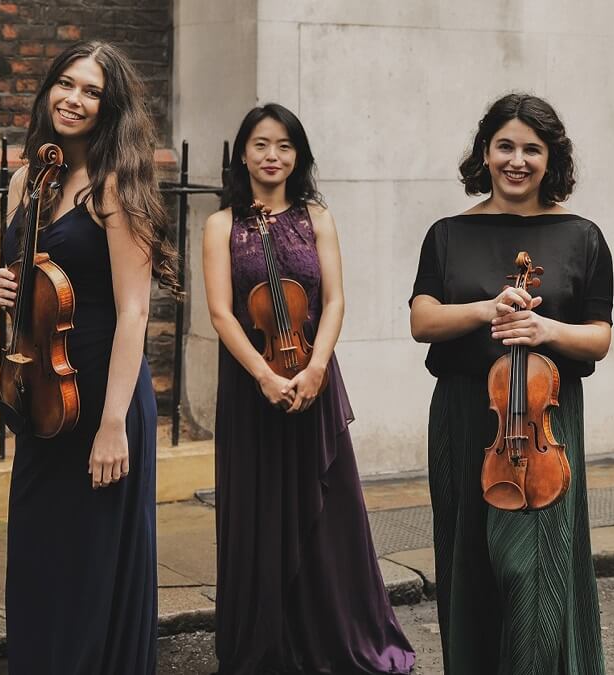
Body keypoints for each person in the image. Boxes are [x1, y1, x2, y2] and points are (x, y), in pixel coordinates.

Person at [202, 103, 415, 674]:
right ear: (242, 152)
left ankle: (331, 637)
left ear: (299, 156)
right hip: (253, 385)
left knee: (326, 515)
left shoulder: (316, 216)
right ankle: (264, 645)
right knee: (257, 513)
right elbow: (222, 314)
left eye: (285, 146)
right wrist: (265, 375)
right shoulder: (221, 224)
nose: (273, 156)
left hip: (313, 376)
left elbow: (335, 299)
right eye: (261, 144)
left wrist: (316, 366)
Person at [409, 93, 614, 675]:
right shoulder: (447, 233)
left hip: (546, 421)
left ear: (552, 159)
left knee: (534, 571)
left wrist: (545, 327)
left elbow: (599, 338)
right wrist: (487, 310)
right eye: (505, 146)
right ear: (485, 152)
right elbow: (422, 321)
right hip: (465, 415)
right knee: (468, 565)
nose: (516, 160)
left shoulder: (583, 237)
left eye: (531, 148)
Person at [0, 40, 177, 674]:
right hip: (45, 396)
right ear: (48, 90)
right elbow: (33, 280)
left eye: (91, 91)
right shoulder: (26, 180)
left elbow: (133, 312)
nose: (73, 99)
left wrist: (113, 426)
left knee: (95, 567)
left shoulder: (117, 190)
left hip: (105, 396)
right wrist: (4, 286)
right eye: (66, 84)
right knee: (40, 558)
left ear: (109, 106)